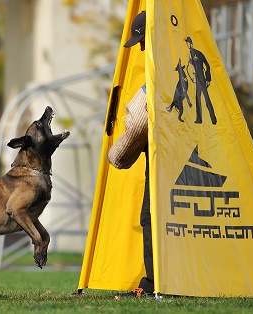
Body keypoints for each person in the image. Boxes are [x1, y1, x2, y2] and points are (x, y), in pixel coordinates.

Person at [112, 10, 155, 300]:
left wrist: (118, 154)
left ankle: (153, 285)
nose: (141, 48)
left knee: (150, 217)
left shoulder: (157, 75)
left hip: (163, 161)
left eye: (142, 41)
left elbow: (139, 120)